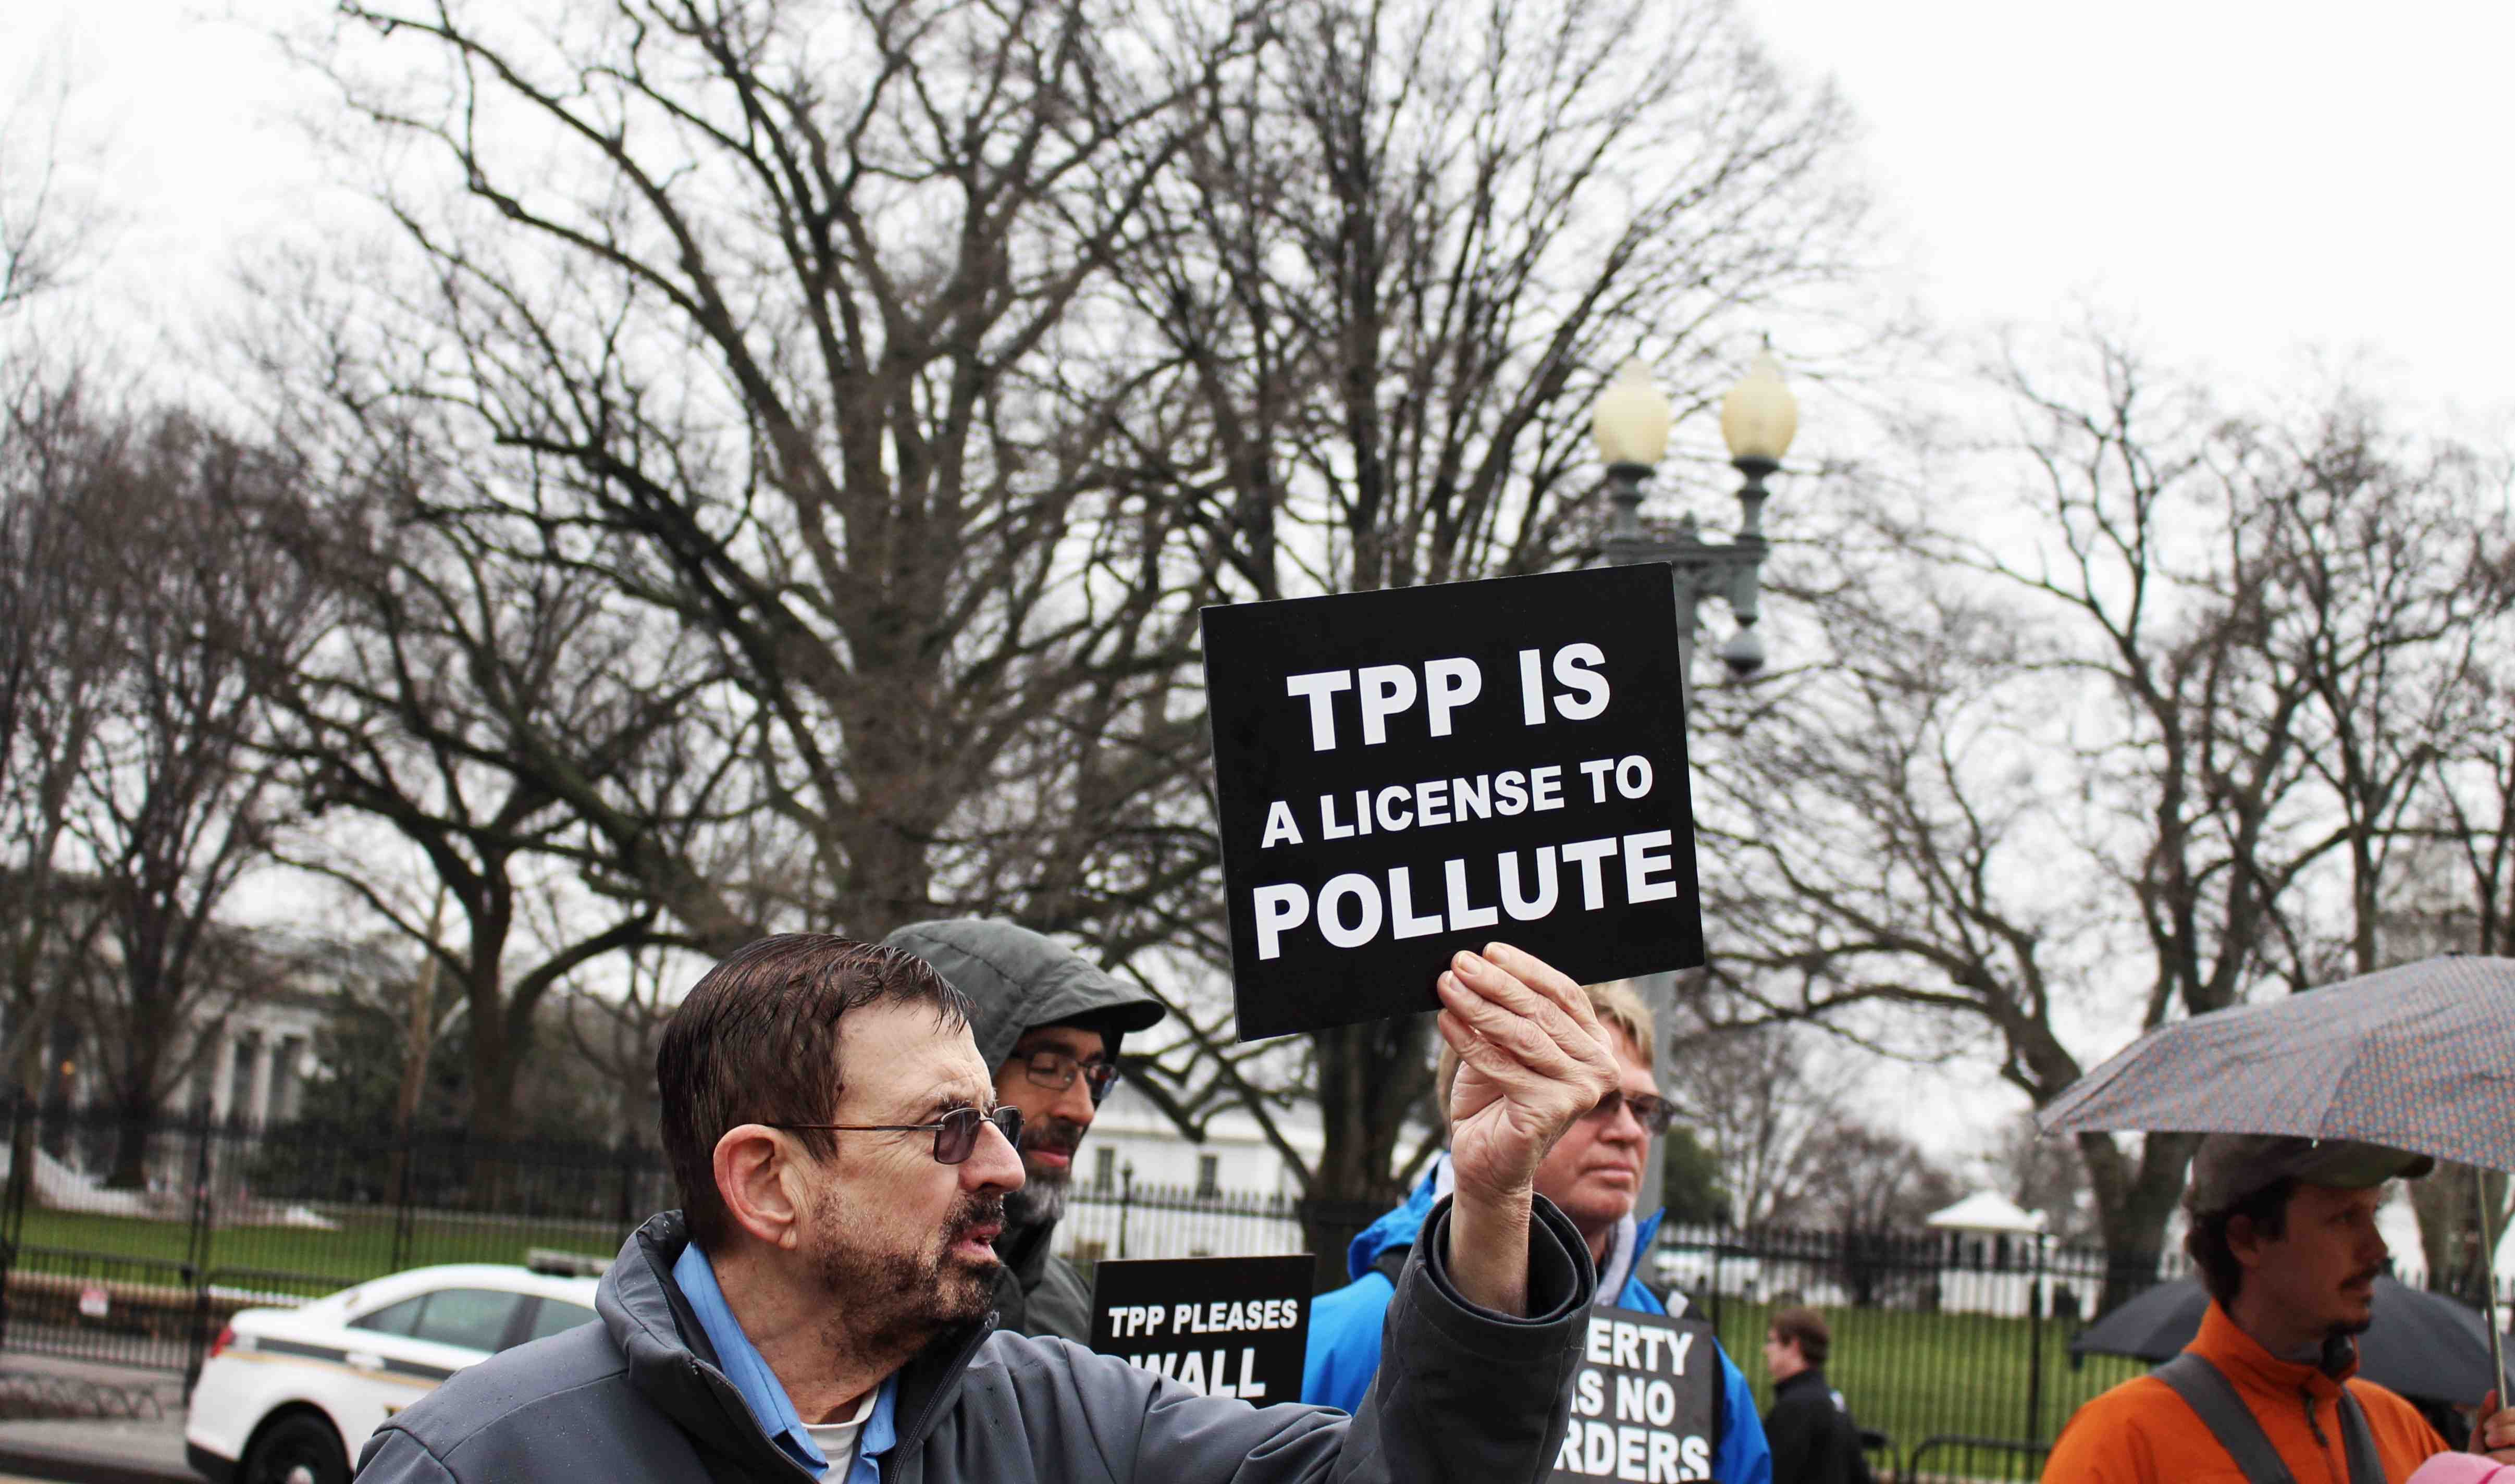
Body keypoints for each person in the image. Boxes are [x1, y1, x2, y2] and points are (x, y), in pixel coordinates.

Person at [354, 935, 1619, 1483]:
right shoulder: (479, 1460)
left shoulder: (1065, 1423)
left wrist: (1491, 1192)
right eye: (947, 1126)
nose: (1007, 1166)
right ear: (767, 1180)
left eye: (999, 1120)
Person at [1302, 980, 1774, 1484]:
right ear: (1481, 1103)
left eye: (1644, 1108)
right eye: (1595, 1100)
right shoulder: (1333, 1340)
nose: (1629, 1132)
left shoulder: (1695, 1362)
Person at [2042, 1133, 2515, 1483]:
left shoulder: (2402, 1430)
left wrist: (2477, 1476)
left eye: (2372, 1214)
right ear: (2247, 1239)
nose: (2377, 1249)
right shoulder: (2123, 1443)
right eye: (2343, 1218)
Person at [880, 918, 1164, 1342]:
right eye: (1048, 1067)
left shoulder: (1071, 1309)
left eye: (1097, 1075)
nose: (1083, 1110)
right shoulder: (850, 1303)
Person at [1761, 1306, 1871, 1484]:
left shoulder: (1794, 1408)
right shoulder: (1835, 1402)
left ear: (1794, 1346)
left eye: (1773, 1341)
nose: (1766, 1349)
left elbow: (1775, 1475)